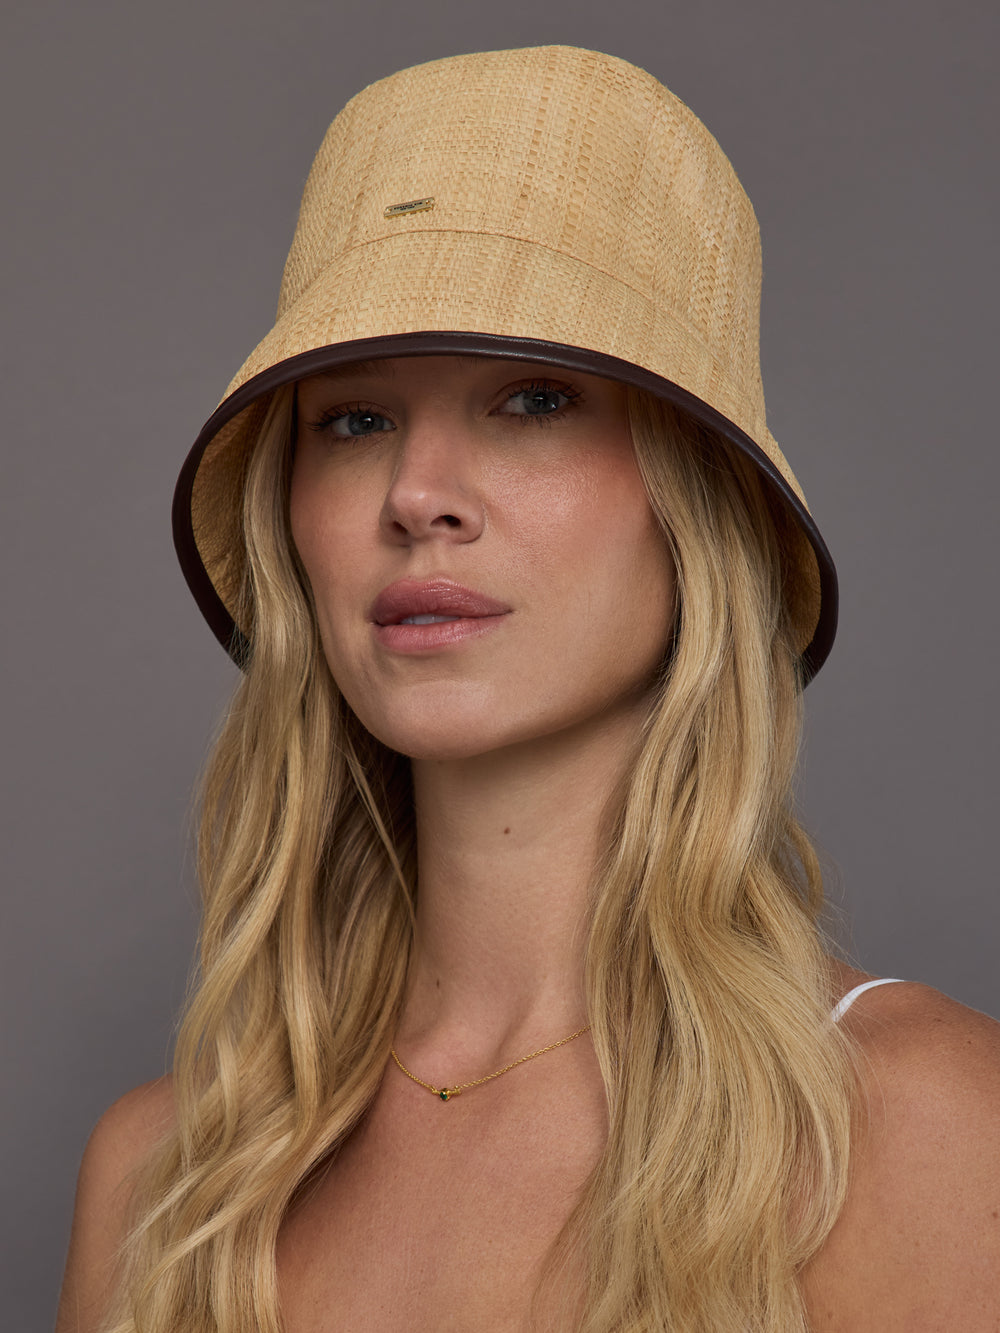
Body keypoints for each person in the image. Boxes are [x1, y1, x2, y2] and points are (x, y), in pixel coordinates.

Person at [56, 45, 1000, 1333]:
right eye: (353, 420)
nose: (416, 494)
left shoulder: (913, 1127)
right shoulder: (164, 1182)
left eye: (535, 398)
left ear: (696, 505)